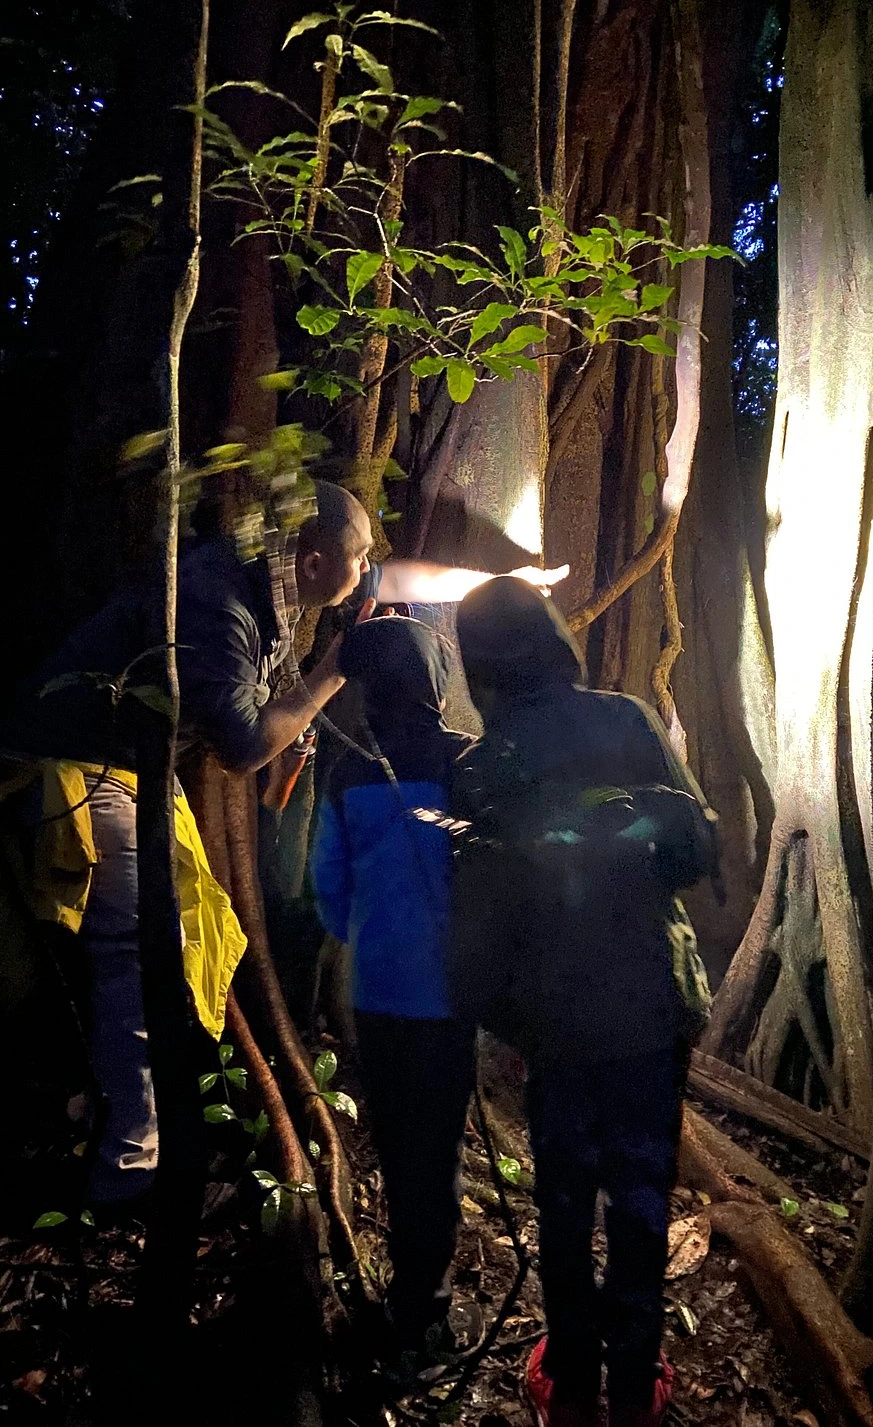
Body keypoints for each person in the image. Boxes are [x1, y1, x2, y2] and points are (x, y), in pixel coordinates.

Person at [0, 478, 566, 1205]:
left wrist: (505, 581)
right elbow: (241, 749)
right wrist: (337, 666)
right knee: (145, 946)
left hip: (137, 766)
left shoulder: (284, 576)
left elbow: (397, 576)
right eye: (358, 560)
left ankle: (121, 1111)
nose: (369, 574)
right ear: (313, 560)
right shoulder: (220, 602)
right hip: (79, 760)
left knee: (197, 932)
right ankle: (130, 1165)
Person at [451, 577, 717, 1427]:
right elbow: (695, 847)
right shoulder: (629, 718)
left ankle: (570, 1384)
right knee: (642, 1199)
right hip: (648, 1000)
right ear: (554, 637)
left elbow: (481, 918)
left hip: (556, 1022)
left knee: (563, 1205)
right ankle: (634, 1391)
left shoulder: (481, 768)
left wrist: (501, 1017)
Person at [309, 616, 476, 1362]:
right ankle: (425, 1311)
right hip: (448, 999)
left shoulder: (348, 774)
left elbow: (328, 888)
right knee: (436, 1153)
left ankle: (405, 1303)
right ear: (437, 685)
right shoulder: (466, 765)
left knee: (396, 1141)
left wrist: (374, 937)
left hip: (376, 994)